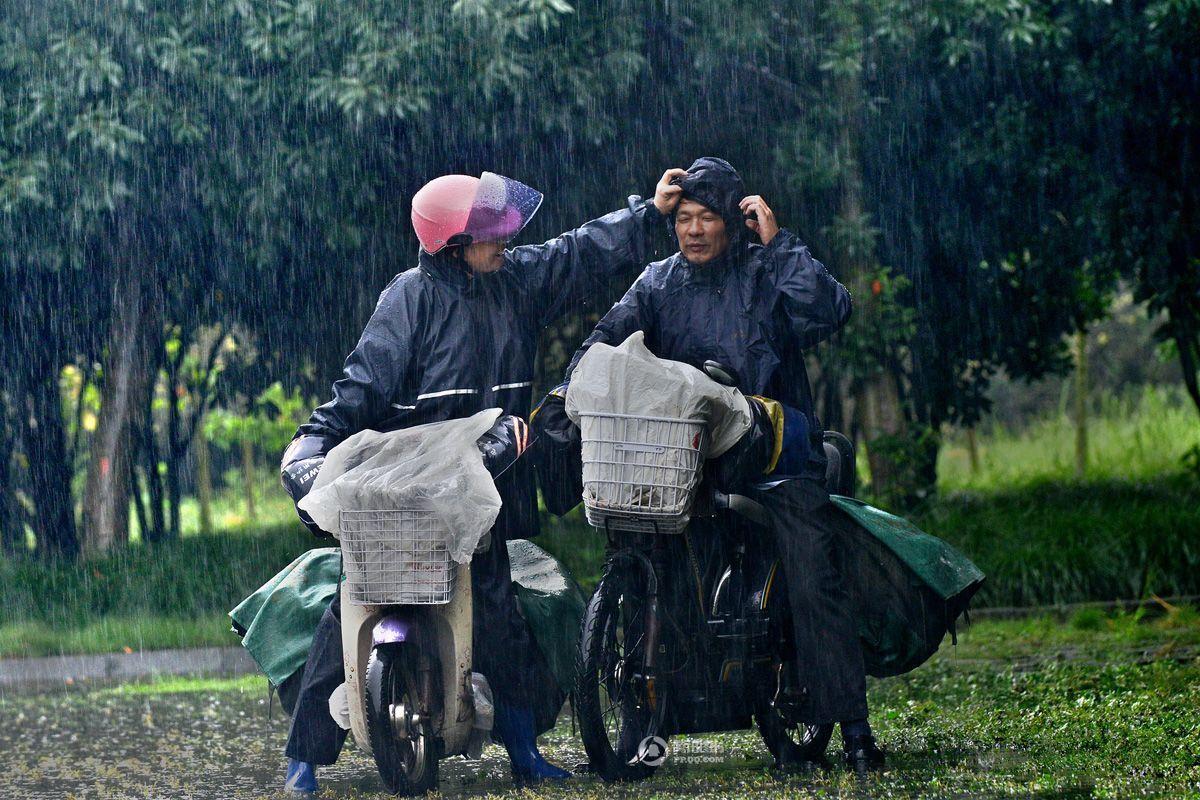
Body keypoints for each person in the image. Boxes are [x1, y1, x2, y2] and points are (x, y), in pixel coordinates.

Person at [278, 168, 681, 792]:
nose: (504, 241)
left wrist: (649, 213)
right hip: (409, 489)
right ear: (452, 244)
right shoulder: (409, 297)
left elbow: (578, 251)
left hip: (487, 487)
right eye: (489, 233)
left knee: (496, 607)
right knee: (349, 609)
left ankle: (524, 752)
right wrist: (314, 440)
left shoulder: (515, 279)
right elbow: (361, 387)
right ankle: (302, 759)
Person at [542, 156, 885, 771]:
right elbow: (601, 347)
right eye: (685, 219)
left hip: (776, 454)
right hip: (684, 461)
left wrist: (778, 243)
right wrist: (568, 397)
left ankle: (855, 728)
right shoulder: (657, 283)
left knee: (812, 574)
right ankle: (652, 711)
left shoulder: (765, 271)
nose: (695, 230)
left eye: (708, 219)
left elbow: (833, 309)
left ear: (733, 222)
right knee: (647, 539)